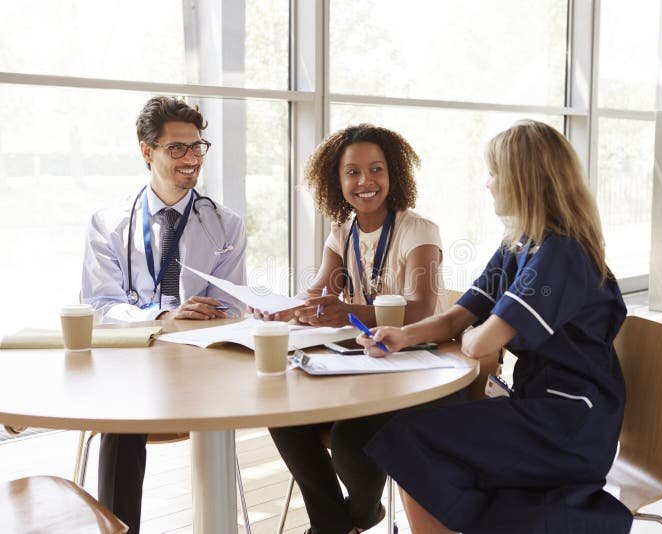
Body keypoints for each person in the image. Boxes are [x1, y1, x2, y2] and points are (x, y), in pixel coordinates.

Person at [358, 120, 633, 533]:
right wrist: (402, 335)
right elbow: (458, 316)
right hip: (537, 406)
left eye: (494, 174)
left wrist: (474, 336)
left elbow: (481, 340)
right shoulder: (519, 243)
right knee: (412, 439)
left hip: (569, 424)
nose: (487, 185)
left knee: (410, 440)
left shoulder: (560, 253)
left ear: (521, 180)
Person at [261, 124, 454, 534]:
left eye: (377, 170)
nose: (365, 181)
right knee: (284, 419)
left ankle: (350, 520)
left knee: (351, 443)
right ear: (337, 180)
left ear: (394, 175)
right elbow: (319, 295)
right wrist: (282, 310)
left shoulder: (418, 230)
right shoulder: (342, 232)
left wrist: (347, 309)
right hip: (364, 368)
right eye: (352, 172)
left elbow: (418, 307)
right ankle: (335, 525)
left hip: (414, 370)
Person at [81, 96, 247, 534]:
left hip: (202, 366)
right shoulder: (109, 223)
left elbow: (229, 307)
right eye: (177, 148)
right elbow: (99, 307)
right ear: (146, 151)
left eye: (197, 147)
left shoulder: (225, 224)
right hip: (132, 366)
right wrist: (163, 316)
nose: (191, 159)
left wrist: (187, 321)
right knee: (122, 415)